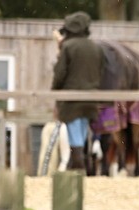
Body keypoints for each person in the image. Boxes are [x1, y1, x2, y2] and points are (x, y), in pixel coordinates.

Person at [50, 11, 103, 172]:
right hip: (91, 99)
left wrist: (55, 91)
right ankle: (78, 166)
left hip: (71, 99)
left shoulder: (68, 47)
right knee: (81, 132)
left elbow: (60, 74)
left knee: (74, 135)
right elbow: (101, 72)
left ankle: (78, 167)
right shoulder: (96, 48)